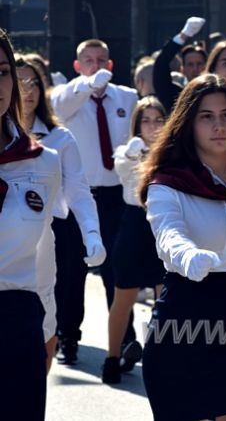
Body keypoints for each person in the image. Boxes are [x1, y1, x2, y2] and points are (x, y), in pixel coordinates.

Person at [139, 74, 226, 421]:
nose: (219, 125)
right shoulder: (168, 184)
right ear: (188, 124)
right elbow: (168, 234)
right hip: (185, 318)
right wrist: (189, 256)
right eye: (207, 116)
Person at [50, 38, 138, 365]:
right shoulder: (66, 97)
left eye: (101, 60)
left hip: (116, 195)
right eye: (88, 60)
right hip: (77, 196)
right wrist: (87, 85)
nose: (96, 65)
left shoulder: (127, 97)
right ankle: (67, 338)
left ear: (111, 65)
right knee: (72, 272)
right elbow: (61, 104)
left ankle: (126, 341)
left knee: (119, 270)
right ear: (77, 66)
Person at [16, 55, 105, 373]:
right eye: (19, 81)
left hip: (48, 235)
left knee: (46, 313)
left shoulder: (60, 138)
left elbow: (78, 191)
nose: (27, 91)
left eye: (34, 83)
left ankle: (36, 384)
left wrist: (92, 233)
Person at [0, 28, 61, 420]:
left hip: (17, 321)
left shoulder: (44, 161)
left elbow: (44, 254)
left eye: (3, 72)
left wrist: (48, 329)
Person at [102, 96, 167, 384]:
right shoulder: (127, 150)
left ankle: (163, 360)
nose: (152, 126)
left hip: (163, 226)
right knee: (123, 297)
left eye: (157, 119)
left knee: (165, 300)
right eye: (146, 120)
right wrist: (133, 153)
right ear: (136, 123)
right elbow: (122, 170)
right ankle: (112, 358)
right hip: (133, 225)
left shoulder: (173, 153)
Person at [153, 17, 207, 112]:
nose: (195, 69)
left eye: (199, 63)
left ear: (206, 66)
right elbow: (161, 66)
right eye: (190, 64)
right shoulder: (174, 94)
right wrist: (183, 35)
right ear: (183, 69)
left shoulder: (215, 92)